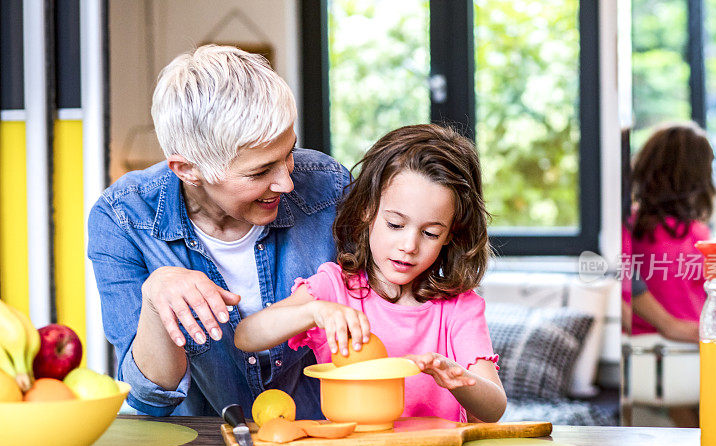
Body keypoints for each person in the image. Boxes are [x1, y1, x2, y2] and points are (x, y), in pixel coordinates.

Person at [87, 45, 350, 417]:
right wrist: (155, 296)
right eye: (260, 172)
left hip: (321, 437)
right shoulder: (123, 219)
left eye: (288, 154)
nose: (287, 183)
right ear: (187, 170)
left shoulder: (328, 187)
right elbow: (149, 398)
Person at [235, 124, 507, 423]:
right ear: (367, 211)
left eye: (430, 233)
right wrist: (314, 312)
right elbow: (247, 336)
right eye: (395, 225)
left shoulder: (459, 308)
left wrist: (458, 379)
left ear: (450, 236)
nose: (409, 245)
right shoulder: (333, 289)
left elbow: (494, 408)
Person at [622, 121, 715, 338]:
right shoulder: (696, 234)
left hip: (643, 344)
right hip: (688, 343)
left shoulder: (630, 225)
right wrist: (670, 325)